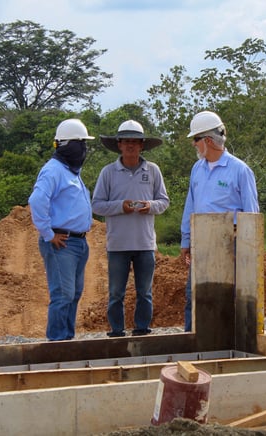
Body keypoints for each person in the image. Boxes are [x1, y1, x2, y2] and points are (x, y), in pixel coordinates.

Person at [180, 110, 259, 331]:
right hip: (201, 243)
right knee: (194, 294)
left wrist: (246, 249)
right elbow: (190, 206)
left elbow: (251, 214)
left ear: (207, 140)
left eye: (196, 139)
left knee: (227, 295)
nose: (194, 144)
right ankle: (192, 340)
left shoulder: (240, 170)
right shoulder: (197, 169)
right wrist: (186, 240)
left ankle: (229, 341)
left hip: (230, 244)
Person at [92, 120, 170, 337]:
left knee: (144, 292)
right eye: (126, 141)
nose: (130, 145)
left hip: (145, 243)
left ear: (142, 145)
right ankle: (116, 331)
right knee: (116, 293)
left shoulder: (152, 170)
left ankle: (142, 330)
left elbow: (164, 201)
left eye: (135, 142)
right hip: (118, 244)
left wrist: (150, 206)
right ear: (119, 144)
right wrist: (120, 206)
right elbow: (96, 205)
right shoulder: (108, 172)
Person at [28, 118, 94, 341]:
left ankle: (67, 341)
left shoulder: (71, 171)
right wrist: (48, 234)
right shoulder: (53, 170)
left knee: (73, 295)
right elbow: (37, 201)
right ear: (68, 145)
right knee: (63, 295)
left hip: (78, 242)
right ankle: (57, 343)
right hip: (62, 242)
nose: (83, 149)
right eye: (80, 143)